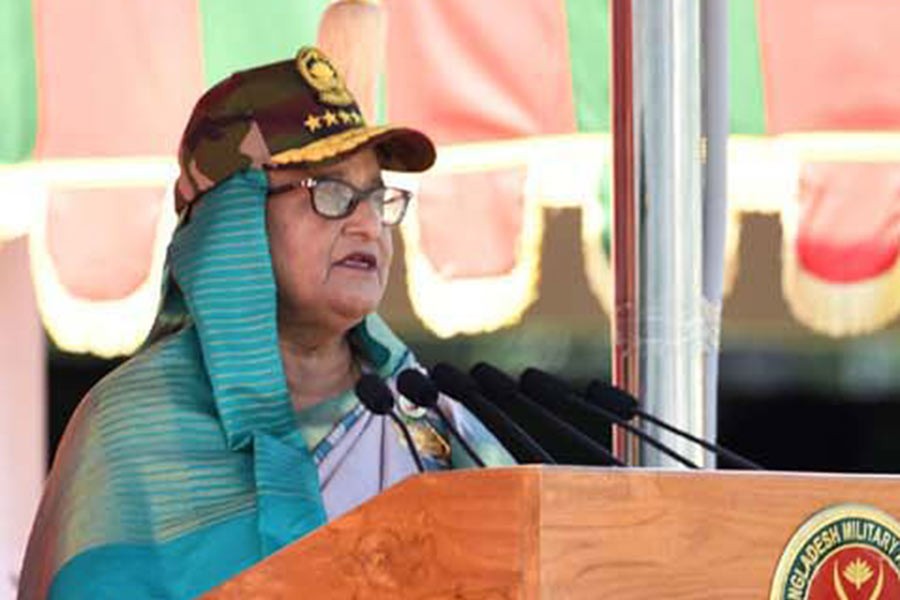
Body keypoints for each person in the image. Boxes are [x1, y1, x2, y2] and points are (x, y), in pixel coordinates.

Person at [18, 46, 513, 600]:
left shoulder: (420, 415)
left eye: (377, 197)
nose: (369, 224)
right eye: (330, 193)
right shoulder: (135, 428)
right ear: (236, 221)